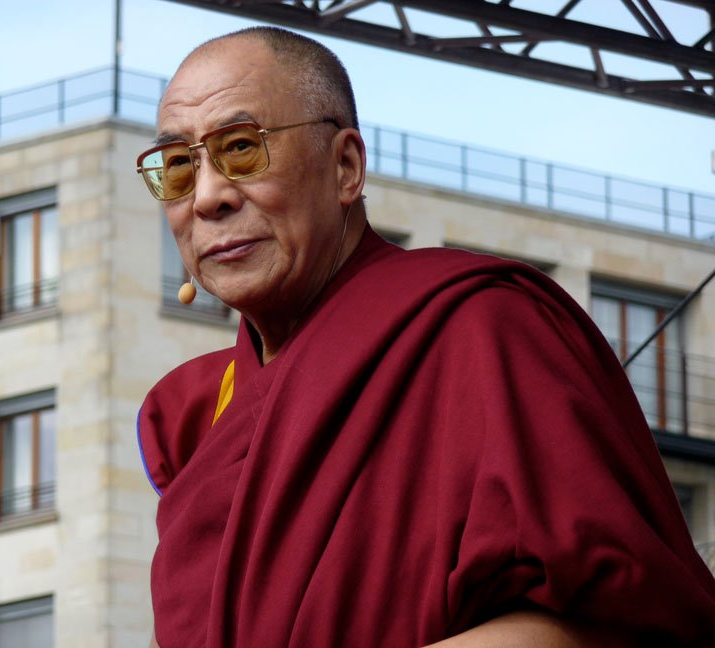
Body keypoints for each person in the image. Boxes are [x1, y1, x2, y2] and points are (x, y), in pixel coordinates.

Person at [136, 26, 715, 647]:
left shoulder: (479, 329)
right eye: (179, 166)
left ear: (345, 167)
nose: (208, 197)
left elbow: (624, 618)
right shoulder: (197, 414)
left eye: (241, 148)